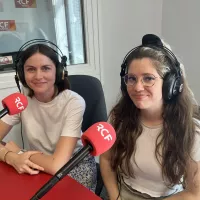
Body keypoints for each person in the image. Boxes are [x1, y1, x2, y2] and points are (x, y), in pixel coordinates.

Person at [100, 34, 200, 200]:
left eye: (148, 78)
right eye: (132, 78)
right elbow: (105, 160)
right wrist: (115, 197)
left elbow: (195, 193)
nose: (138, 87)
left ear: (170, 84)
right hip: (121, 191)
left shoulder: (191, 131)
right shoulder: (118, 117)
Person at [0, 41, 97, 192]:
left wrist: (20, 152)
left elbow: (56, 165)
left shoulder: (73, 102)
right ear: (21, 74)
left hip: (73, 166)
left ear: (58, 72)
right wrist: (10, 156)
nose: (38, 76)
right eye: (31, 69)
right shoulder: (21, 100)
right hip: (39, 163)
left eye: (46, 68)